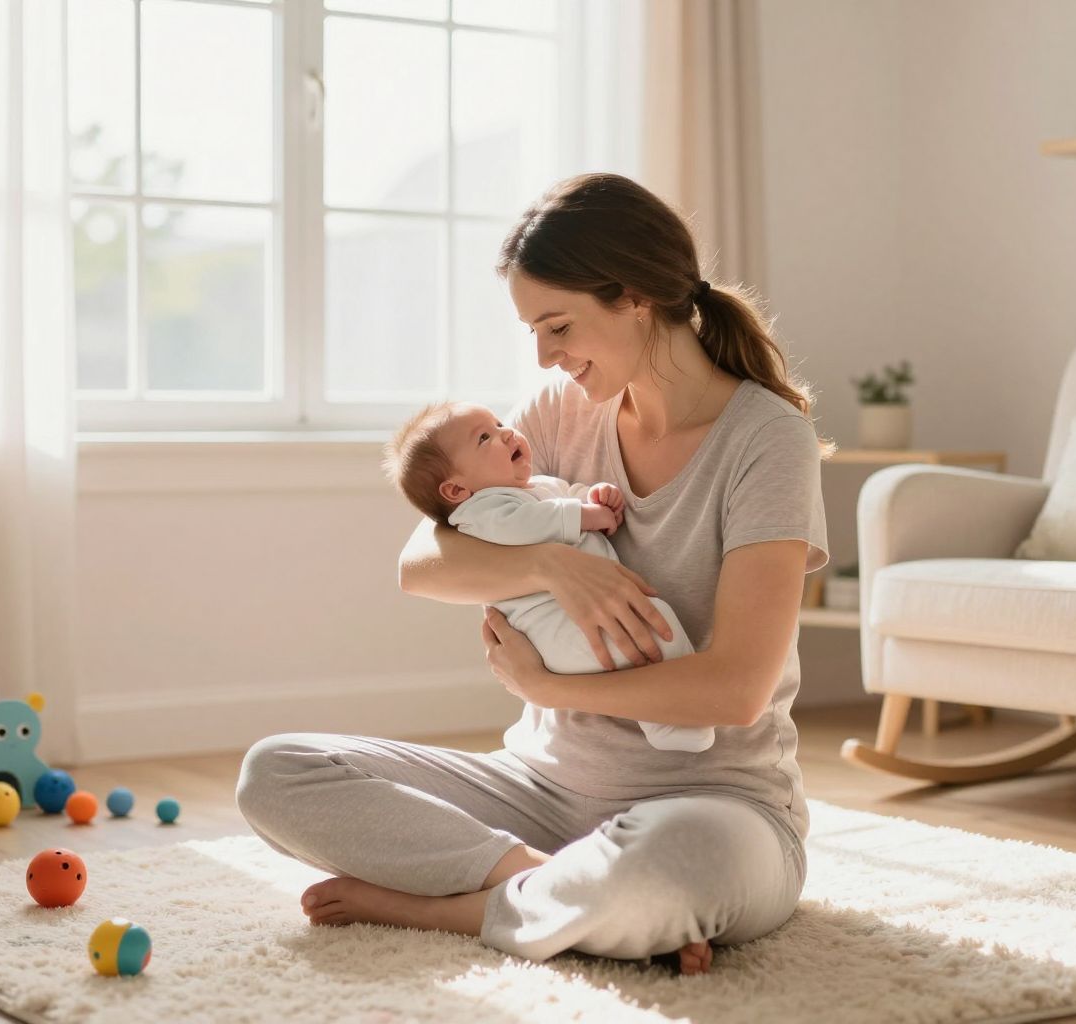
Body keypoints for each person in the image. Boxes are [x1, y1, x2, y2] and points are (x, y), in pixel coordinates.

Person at [236, 172, 831, 976]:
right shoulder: (560, 407)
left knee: (671, 866)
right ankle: (551, 891)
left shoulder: (767, 439)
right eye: (535, 332)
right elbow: (423, 564)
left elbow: (734, 690)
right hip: (540, 792)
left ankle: (448, 907)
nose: (546, 355)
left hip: (716, 806)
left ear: (635, 297)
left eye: (558, 326)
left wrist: (555, 689)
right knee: (277, 771)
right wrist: (554, 565)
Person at [381, 399, 710, 752]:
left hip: (579, 618)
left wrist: (594, 497)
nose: (506, 433)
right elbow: (521, 527)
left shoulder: (538, 487)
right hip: (553, 630)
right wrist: (582, 516)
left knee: (656, 632)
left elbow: (568, 495)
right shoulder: (479, 512)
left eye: (498, 423)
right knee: (652, 634)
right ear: (457, 490)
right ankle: (669, 723)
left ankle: (670, 717)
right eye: (484, 438)